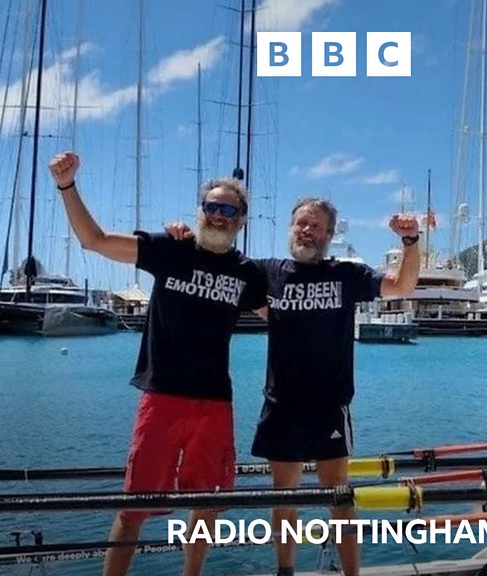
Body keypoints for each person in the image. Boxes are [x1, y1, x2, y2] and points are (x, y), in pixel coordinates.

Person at [167, 198, 419, 576]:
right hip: (281, 405)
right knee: (284, 496)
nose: (306, 231)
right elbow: (219, 263)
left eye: (316, 226)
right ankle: (285, 571)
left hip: (329, 406)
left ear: (329, 235)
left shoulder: (346, 274)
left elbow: (403, 285)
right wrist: (187, 239)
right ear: (290, 228)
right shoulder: (268, 272)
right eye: (301, 223)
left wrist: (410, 242)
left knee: (339, 496)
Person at [49, 150, 268, 576]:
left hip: (214, 403)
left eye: (228, 210)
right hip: (161, 397)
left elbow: (283, 319)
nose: (218, 216)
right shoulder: (171, 249)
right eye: (212, 207)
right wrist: (67, 186)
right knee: (134, 506)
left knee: (207, 505)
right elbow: (94, 240)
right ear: (200, 210)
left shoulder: (247, 273)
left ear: (241, 220)